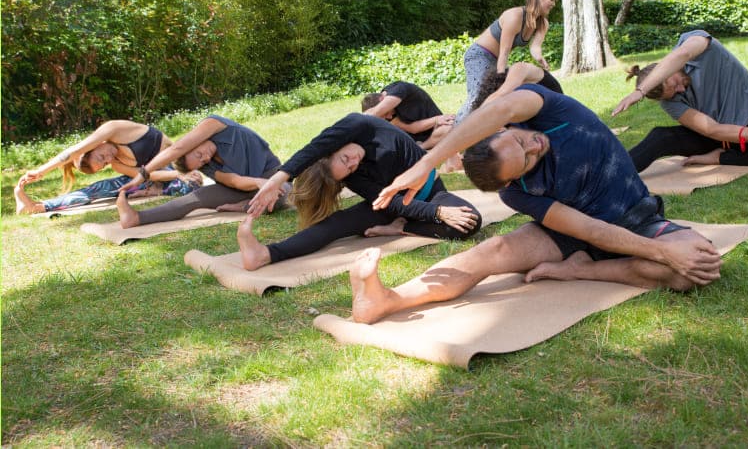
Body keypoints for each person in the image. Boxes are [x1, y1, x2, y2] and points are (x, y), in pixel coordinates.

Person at [349, 82, 722, 324]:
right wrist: (662, 253)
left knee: (696, 265)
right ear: (511, 181)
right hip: (580, 230)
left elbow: (499, 109)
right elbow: (589, 229)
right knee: (490, 252)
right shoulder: (516, 192)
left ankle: (581, 271)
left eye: (519, 140)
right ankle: (385, 300)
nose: (533, 146)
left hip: (636, 216)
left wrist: (427, 162)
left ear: (504, 130)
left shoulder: (553, 114)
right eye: (525, 159)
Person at [238, 113, 482, 271]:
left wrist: (279, 178)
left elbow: (312, 148)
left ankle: (400, 228)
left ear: (335, 146)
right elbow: (393, 202)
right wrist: (438, 213)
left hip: (430, 192)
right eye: (349, 168)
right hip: (395, 205)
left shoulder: (359, 125)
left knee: (471, 221)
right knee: (336, 225)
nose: (353, 163)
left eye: (346, 159)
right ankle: (265, 254)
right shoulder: (354, 177)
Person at [612, 29, 748, 171]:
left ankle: (720, 157)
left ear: (667, 68)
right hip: (717, 135)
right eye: (673, 93)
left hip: (747, 127)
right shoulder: (669, 101)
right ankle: (612, 174)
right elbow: (712, 129)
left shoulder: (698, 44)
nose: (680, 90)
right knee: (660, 137)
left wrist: (640, 91)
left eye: (675, 83)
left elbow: (681, 55)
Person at [115, 115, 290, 228]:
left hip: (272, 176)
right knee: (195, 198)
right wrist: (258, 183)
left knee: (282, 195)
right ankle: (136, 218)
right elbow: (235, 181)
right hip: (246, 187)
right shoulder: (209, 165)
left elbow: (177, 148)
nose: (204, 159)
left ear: (194, 143)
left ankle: (244, 206)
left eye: (198, 154)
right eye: (200, 162)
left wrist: (143, 174)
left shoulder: (215, 124)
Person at [14, 120, 200, 215]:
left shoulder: (114, 129)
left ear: (94, 146)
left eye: (102, 156)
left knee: (191, 185)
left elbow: (73, 151)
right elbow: (146, 175)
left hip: (177, 167)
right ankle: (39, 207)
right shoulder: (118, 164)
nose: (109, 159)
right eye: (104, 163)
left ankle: (153, 191)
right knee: (101, 188)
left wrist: (42, 171)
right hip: (164, 177)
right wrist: (176, 175)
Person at [456, 0, 560, 124]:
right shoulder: (515, 16)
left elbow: (535, 47)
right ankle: (458, 133)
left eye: (554, 0)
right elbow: (504, 52)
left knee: (498, 96)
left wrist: (539, 57)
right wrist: (500, 79)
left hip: (496, 59)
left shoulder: (542, 23)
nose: (553, 4)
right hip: (479, 55)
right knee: (478, 97)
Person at [362, 81, 454, 150]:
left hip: (436, 129)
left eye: (385, 113)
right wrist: (436, 119)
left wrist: (437, 120)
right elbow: (413, 128)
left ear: (382, 100)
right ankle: (421, 148)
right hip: (414, 138)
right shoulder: (388, 116)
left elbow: (372, 114)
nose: (389, 117)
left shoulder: (399, 88)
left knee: (449, 126)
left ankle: (422, 148)